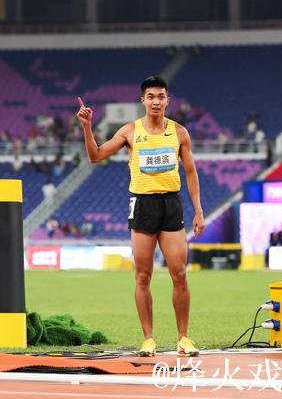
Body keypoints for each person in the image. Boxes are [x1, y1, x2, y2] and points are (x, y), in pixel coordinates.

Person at [76, 76, 205, 357]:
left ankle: (184, 338)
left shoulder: (179, 132)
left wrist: (198, 210)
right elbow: (95, 156)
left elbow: (191, 172)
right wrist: (87, 127)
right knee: (143, 276)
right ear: (143, 100)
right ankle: (148, 339)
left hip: (171, 204)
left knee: (180, 274)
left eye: (161, 96)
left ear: (168, 100)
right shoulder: (130, 131)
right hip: (143, 204)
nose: (156, 101)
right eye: (151, 97)